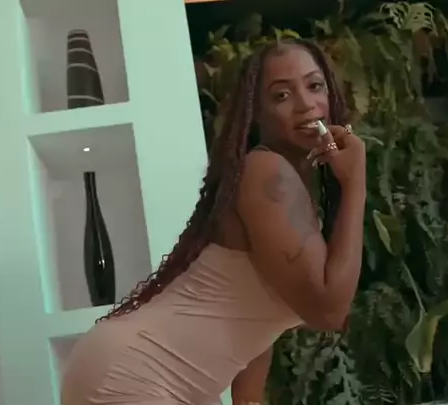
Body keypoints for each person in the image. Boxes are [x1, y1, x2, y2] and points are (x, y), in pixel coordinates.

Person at [60, 37, 366, 405]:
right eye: (282, 95)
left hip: (167, 379)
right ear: (257, 113)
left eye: (315, 86)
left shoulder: (295, 188)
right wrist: (356, 183)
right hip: (137, 373)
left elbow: (255, 327)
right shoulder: (268, 172)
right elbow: (329, 310)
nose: (306, 104)